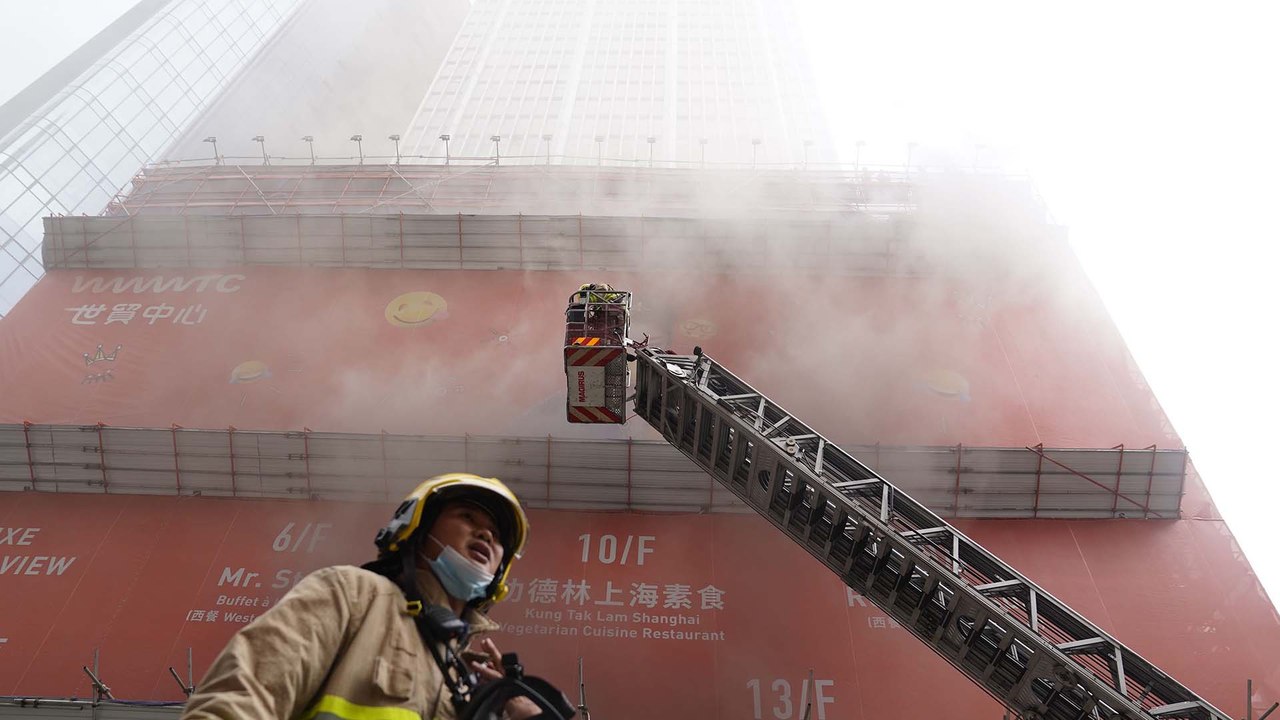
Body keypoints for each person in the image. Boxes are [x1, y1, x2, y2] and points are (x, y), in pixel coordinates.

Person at [181, 473, 559, 720]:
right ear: (416, 529)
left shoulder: (467, 682)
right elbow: (238, 699)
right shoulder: (352, 595)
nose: (487, 536)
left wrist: (522, 709)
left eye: (496, 535)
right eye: (468, 518)